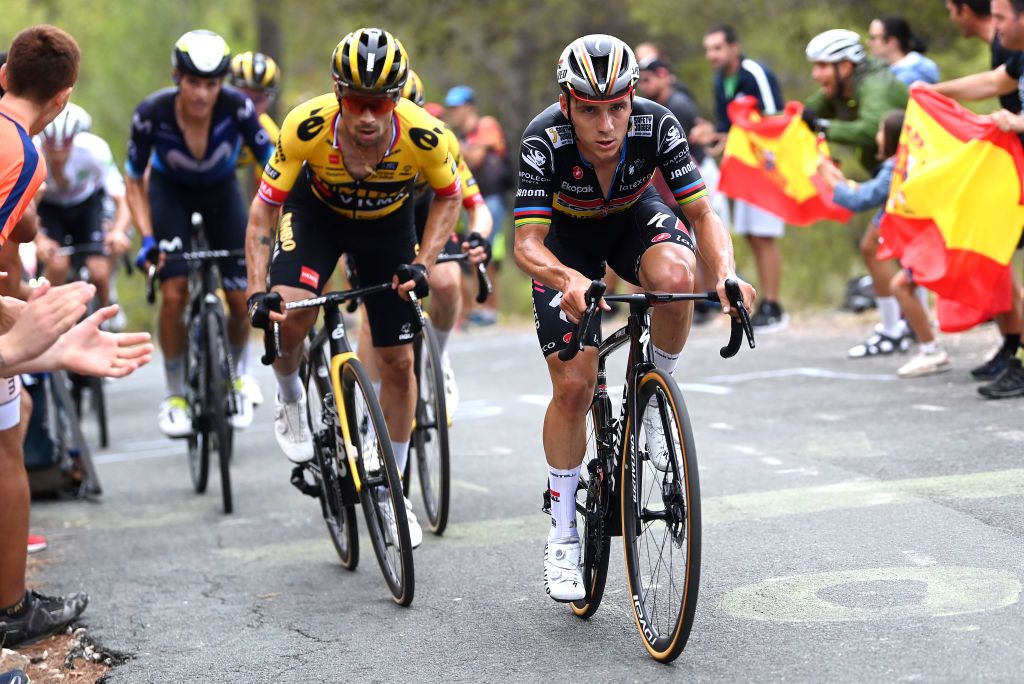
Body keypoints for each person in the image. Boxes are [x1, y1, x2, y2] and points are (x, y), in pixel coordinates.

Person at [513, 34, 754, 602]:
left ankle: (654, 390)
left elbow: (701, 212)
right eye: (590, 110)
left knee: (677, 277)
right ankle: (564, 531)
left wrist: (724, 274)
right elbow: (527, 243)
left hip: (630, 220)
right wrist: (568, 280)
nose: (606, 125)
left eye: (617, 107)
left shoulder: (657, 124)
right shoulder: (541, 139)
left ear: (632, 99)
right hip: (565, 243)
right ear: (568, 104)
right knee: (573, 386)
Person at [245, 28, 467, 548]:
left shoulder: (425, 134)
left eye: (380, 104)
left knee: (400, 363)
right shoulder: (305, 125)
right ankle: (290, 396)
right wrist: (259, 289)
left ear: (396, 99)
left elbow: (449, 197)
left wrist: (423, 262)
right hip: (316, 217)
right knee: (292, 313)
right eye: (357, 102)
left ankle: (393, 492)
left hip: (386, 229)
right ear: (338, 93)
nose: (368, 116)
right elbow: (264, 208)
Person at [0, 24, 153, 650]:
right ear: (62, 97)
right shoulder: (21, 155)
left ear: (5, 74)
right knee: (8, 438)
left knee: (21, 412)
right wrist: (20, 343)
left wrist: (32, 333)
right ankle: (11, 606)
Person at [127, 30, 273, 436]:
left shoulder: (239, 107)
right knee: (174, 294)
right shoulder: (150, 112)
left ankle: (237, 375)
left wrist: (273, 222)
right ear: (177, 77)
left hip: (220, 194)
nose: (202, 95)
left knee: (242, 295)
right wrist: (147, 239)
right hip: (168, 193)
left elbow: (274, 166)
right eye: (193, 83)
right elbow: (134, 181)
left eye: (212, 85)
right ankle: (174, 394)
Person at [355, 69, 492, 421]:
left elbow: (477, 207)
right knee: (374, 313)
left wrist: (478, 235)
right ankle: (371, 410)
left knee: (446, 281)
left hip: (426, 215)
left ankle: (438, 358)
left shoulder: (438, 138)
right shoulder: (362, 138)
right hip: (376, 223)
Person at [923, 0, 1024, 397]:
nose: (993, 25)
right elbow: (993, 83)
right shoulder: (1016, 55)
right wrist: (933, 93)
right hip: (1014, 176)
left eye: (1000, 17)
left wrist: (1018, 122)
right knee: (996, 254)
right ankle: (1014, 355)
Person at [818, 111, 933, 369]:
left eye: (881, 131)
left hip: (905, 228)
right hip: (915, 230)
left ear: (893, 137)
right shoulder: (910, 161)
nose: (877, 137)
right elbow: (873, 189)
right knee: (907, 272)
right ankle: (916, 331)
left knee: (896, 275)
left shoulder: (896, 164)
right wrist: (842, 182)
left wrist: (830, 181)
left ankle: (904, 335)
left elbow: (862, 199)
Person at [692, 24, 786, 330]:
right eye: (708, 49)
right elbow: (729, 127)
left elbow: (773, 118)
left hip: (766, 167)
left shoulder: (753, 73)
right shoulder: (721, 80)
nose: (712, 55)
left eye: (717, 48)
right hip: (742, 170)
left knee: (764, 235)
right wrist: (713, 135)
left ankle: (774, 305)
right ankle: (767, 305)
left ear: (734, 47)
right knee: (751, 235)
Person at [34, 103, 132, 312]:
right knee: (58, 264)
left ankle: (106, 313)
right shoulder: (33, 152)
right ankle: (51, 319)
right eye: (51, 148)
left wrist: (117, 231)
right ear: (43, 142)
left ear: (75, 139)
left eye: (65, 148)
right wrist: (39, 239)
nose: (58, 156)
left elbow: (121, 197)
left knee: (98, 272)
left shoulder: (93, 150)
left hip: (87, 204)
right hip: (50, 207)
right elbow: (24, 205)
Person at [444, 85, 510, 326]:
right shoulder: (461, 137)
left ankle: (490, 309)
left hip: (491, 198)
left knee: (487, 252)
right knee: (471, 253)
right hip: (471, 199)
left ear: (469, 107)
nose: (453, 113)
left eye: (457, 108)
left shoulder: (486, 125)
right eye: (450, 109)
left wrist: (448, 141)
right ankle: (477, 308)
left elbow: (476, 159)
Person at [803, 29, 909, 174]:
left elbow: (873, 129)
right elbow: (805, 112)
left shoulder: (876, 86)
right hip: (887, 171)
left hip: (905, 173)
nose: (815, 74)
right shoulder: (841, 87)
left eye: (822, 66)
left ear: (845, 67)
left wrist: (821, 127)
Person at [230, 50, 282, 195]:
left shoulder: (271, 137)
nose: (248, 106)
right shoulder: (206, 115)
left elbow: (267, 195)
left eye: (257, 100)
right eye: (243, 96)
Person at [867, 15, 941, 85]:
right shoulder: (922, 67)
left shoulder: (906, 78)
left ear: (892, 42)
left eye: (872, 38)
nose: (868, 42)